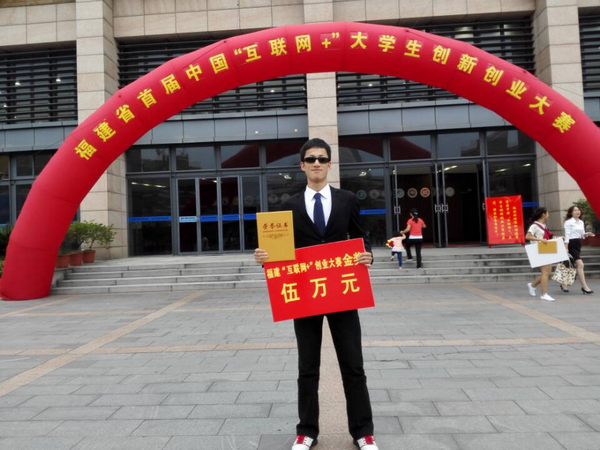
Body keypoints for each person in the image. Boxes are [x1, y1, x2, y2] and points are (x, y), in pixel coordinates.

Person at [254, 138, 379, 450]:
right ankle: (307, 430)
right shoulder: (289, 205)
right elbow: (280, 251)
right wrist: (265, 257)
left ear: (330, 164)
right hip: (305, 294)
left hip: (342, 291)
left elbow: (360, 236)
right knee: (307, 367)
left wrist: (368, 254)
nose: (317, 164)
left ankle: (363, 432)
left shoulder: (347, 200)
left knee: (353, 365)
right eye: (311, 159)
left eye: (322, 159)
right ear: (302, 165)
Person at [562, 205, 595, 294]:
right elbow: (567, 235)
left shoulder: (581, 222)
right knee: (580, 264)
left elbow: (581, 235)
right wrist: (566, 247)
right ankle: (585, 287)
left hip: (578, 244)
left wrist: (587, 234)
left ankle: (563, 284)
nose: (577, 212)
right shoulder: (568, 222)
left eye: (578, 210)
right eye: (575, 210)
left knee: (569, 265)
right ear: (571, 213)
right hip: (571, 244)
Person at [526, 207, 556, 302]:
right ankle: (544, 294)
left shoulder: (543, 225)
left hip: (546, 249)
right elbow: (528, 236)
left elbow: (547, 237)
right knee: (545, 272)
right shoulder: (534, 225)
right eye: (547, 213)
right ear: (543, 214)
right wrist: (540, 239)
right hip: (538, 250)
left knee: (547, 272)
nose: (548, 215)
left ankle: (532, 285)